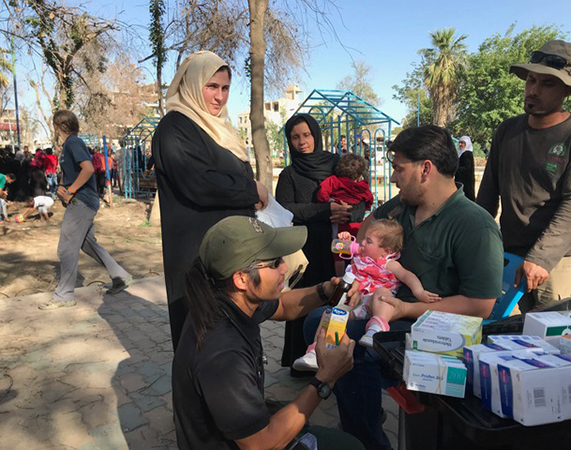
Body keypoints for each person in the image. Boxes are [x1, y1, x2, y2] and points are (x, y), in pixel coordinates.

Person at [304, 125, 504, 449]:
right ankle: (363, 422)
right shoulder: (402, 206)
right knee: (320, 321)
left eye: (399, 169)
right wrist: (364, 273)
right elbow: (368, 227)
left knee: (355, 350)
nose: (394, 178)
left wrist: (407, 308)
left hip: (431, 327)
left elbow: (479, 306)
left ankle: (365, 438)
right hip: (386, 311)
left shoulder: (474, 225)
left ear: (425, 169)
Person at [172, 216, 364, 450]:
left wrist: (327, 290)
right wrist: (326, 378)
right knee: (350, 447)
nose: (285, 267)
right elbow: (261, 444)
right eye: (274, 263)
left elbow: (283, 306)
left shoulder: (227, 296)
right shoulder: (223, 353)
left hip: (248, 431)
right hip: (254, 442)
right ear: (241, 279)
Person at [152, 51, 268, 351]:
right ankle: (204, 399)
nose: (219, 97)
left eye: (225, 88)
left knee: (237, 332)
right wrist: (250, 191)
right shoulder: (174, 129)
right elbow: (199, 184)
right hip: (197, 256)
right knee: (203, 337)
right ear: (192, 84)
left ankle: (242, 397)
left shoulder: (222, 131)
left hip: (232, 254)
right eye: (211, 86)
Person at [477, 39, 571, 313]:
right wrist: (478, 246)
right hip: (506, 256)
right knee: (502, 337)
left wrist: (541, 258)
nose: (533, 90)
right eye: (531, 80)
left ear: (567, 89)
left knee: (555, 344)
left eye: (547, 84)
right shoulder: (507, 130)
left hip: (556, 260)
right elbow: (487, 194)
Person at [294, 218, 441, 371]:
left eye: (368, 241)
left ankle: (377, 328)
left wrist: (419, 292)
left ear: (387, 251)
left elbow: (407, 276)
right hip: (356, 304)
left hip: (376, 306)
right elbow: (339, 248)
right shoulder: (361, 258)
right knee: (329, 315)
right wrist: (343, 239)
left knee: (383, 294)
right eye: (364, 238)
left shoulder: (389, 264)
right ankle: (316, 352)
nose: (362, 243)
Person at [276, 113, 360, 376]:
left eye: (307, 135)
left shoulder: (337, 164)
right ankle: (301, 359)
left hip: (341, 247)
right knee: (305, 300)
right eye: (295, 137)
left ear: (316, 135)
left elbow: (359, 193)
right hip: (308, 248)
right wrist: (325, 211)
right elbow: (285, 208)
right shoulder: (290, 174)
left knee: (341, 299)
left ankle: (336, 361)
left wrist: (351, 214)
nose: (302, 142)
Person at [39, 110, 132, 311]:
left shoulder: (73, 142)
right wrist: (63, 187)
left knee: (66, 247)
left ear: (56, 126)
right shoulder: (68, 145)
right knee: (88, 245)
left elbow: (88, 169)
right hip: (81, 201)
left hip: (81, 202)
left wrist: (71, 190)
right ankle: (120, 276)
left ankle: (64, 295)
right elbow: (71, 172)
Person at [316, 153, 374, 276]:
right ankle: (355, 275)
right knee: (356, 249)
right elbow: (369, 202)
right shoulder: (363, 187)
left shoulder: (333, 181)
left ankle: (340, 278)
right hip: (357, 225)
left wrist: (332, 201)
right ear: (359, 175)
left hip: (339, 223)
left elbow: (321, 194)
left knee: (339, 251)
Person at [455, 135, 475, 201]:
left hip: (465, 182)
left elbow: (466, 169)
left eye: (462, 143)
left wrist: (455, 168)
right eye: (459, 143)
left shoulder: (467, 154)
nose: (460, 145)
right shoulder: (461, 153)